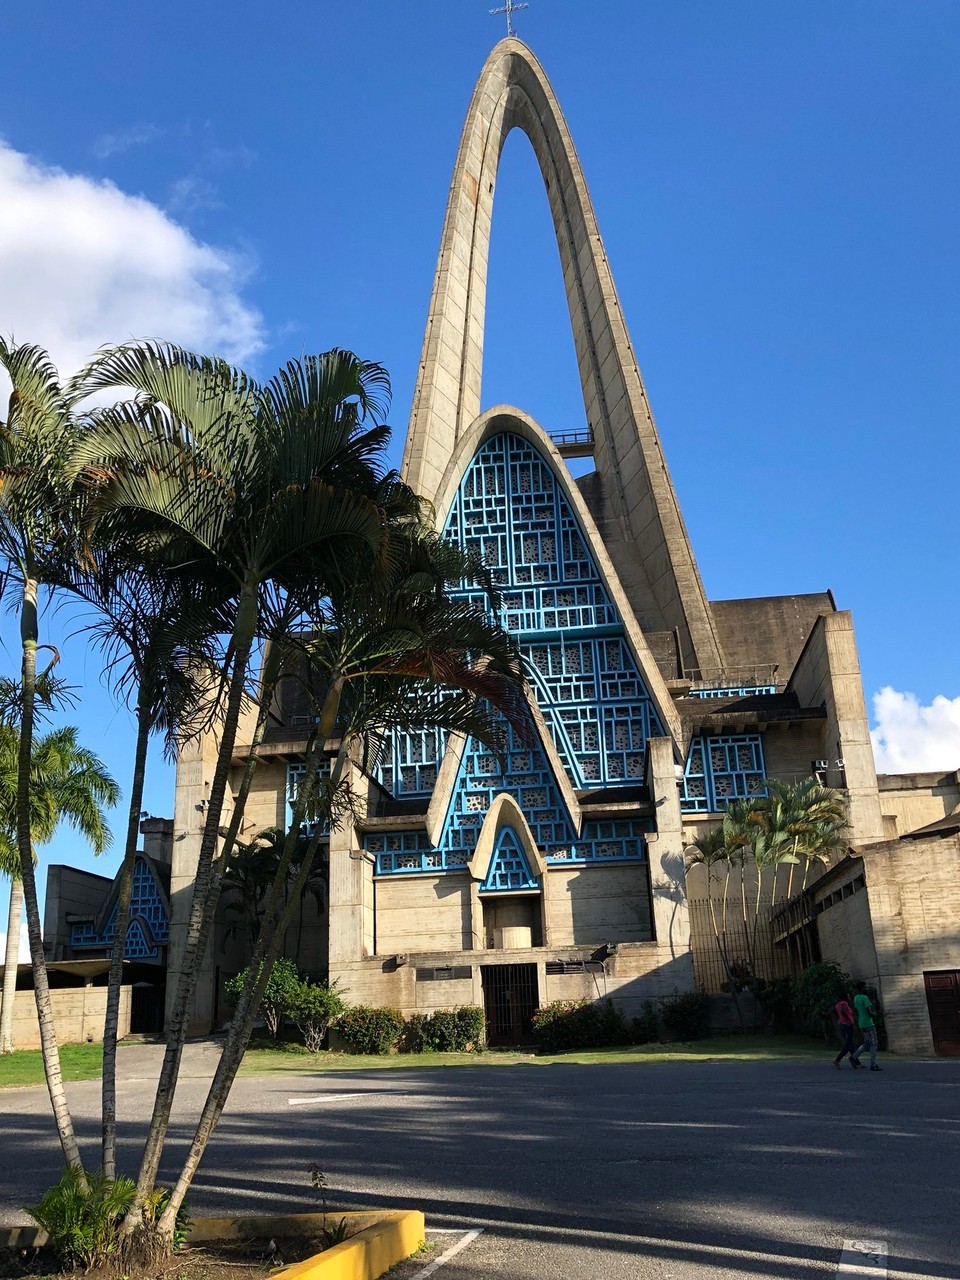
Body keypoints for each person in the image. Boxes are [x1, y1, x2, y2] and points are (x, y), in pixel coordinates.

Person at [850, 981, 881, 1071]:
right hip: (868, 1023)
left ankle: (854, 1056)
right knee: (874, 1043)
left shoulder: (856, 998)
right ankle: (873, 1064)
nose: (866, 989)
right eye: (865, 987)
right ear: (862, 988)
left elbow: (856, 1010)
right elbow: (869, 1010)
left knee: (866, 1042)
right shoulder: (865, 998)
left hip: (861, 1023)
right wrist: (874, 1014)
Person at [833, 993, 857, 1068]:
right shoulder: (844, 1003)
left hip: (843, 1024)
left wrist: (840, 1018)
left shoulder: (837, 1005)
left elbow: (835, 1012)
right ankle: (837, 1059)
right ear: (845, 997)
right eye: (848, 996)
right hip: (848, 1024)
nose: (849, 998)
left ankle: (856, 1062)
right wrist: (849, 1019)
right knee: (848, 1044)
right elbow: (843, 1011)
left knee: (850, 1044)